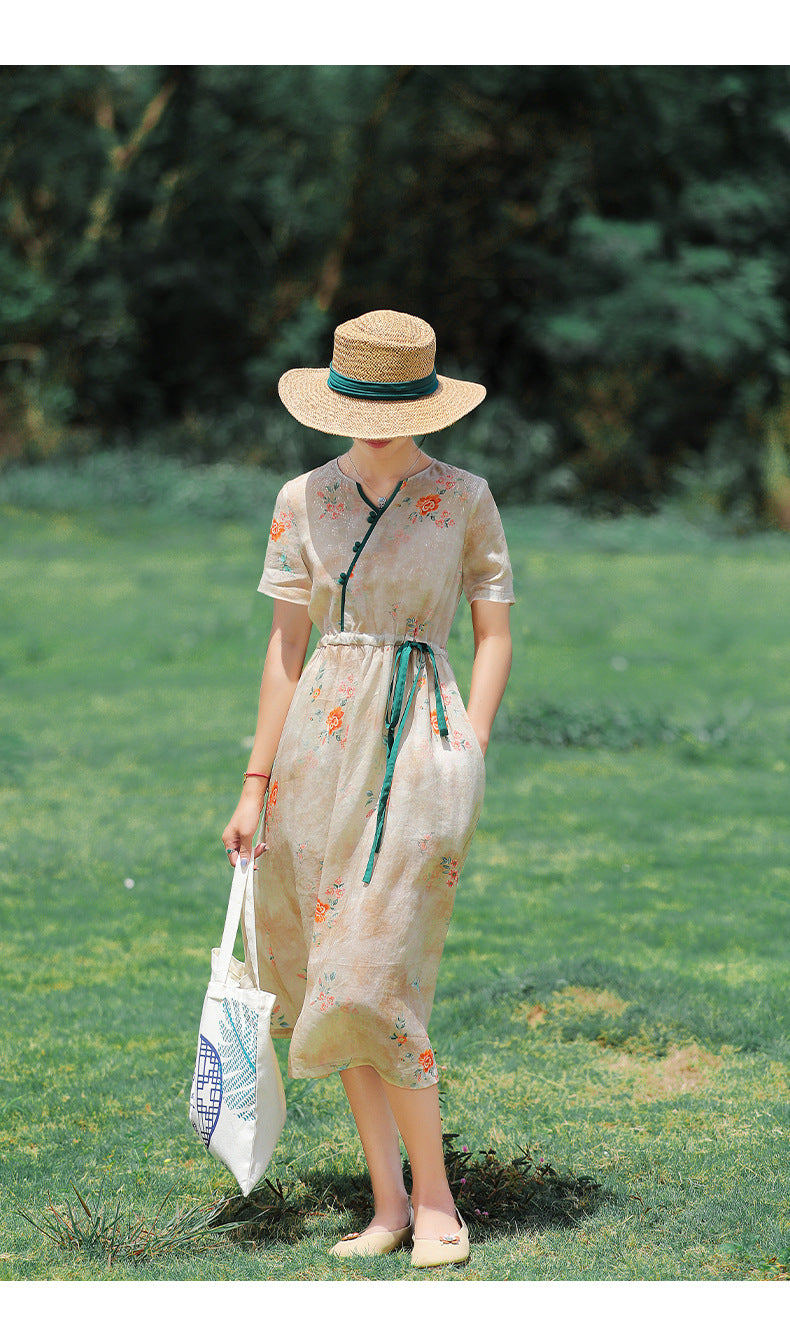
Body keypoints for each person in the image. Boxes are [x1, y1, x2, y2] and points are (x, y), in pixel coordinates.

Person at [221, 309, 514, 1267]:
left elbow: (495, 631)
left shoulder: (466, 497)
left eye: (398, 403)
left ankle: (438, 1202)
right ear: (337, 398)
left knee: (382, 971)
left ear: (426, 400)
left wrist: (468, 744)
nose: (379, 420)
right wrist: (254, 783)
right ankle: (388, 1204)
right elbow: (282, 649)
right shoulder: (302, 498)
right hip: (315, 751)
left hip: (421, 747)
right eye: (364, 402)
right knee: (335, 977)